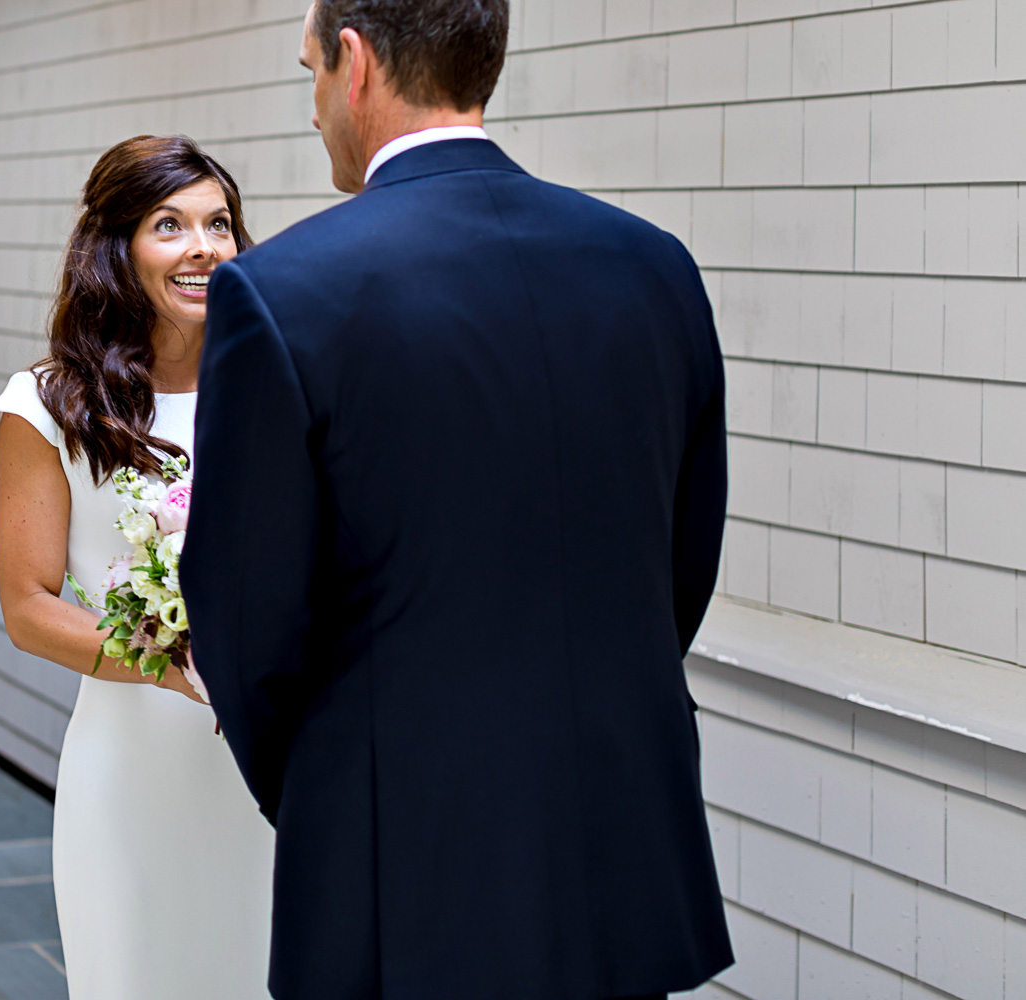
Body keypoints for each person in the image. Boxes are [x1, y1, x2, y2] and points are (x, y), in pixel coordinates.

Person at [181, 2, 736, 998]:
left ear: (354, 65)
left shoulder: (280, 293)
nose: (314, 107)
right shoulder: (656, 267)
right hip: (617, 838)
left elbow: (244, 616)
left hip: (403, 863)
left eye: (311, 72)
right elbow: (680, 565)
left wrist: (338, 789)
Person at [0, 135, 274, 1000]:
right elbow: (29, 606)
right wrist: (167, 658)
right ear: (116, 247)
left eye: (219, 224)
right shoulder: (49, 406)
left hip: (272, 771)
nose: (204, 249)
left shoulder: (274, 385)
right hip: (132, 774)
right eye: (169, 225)